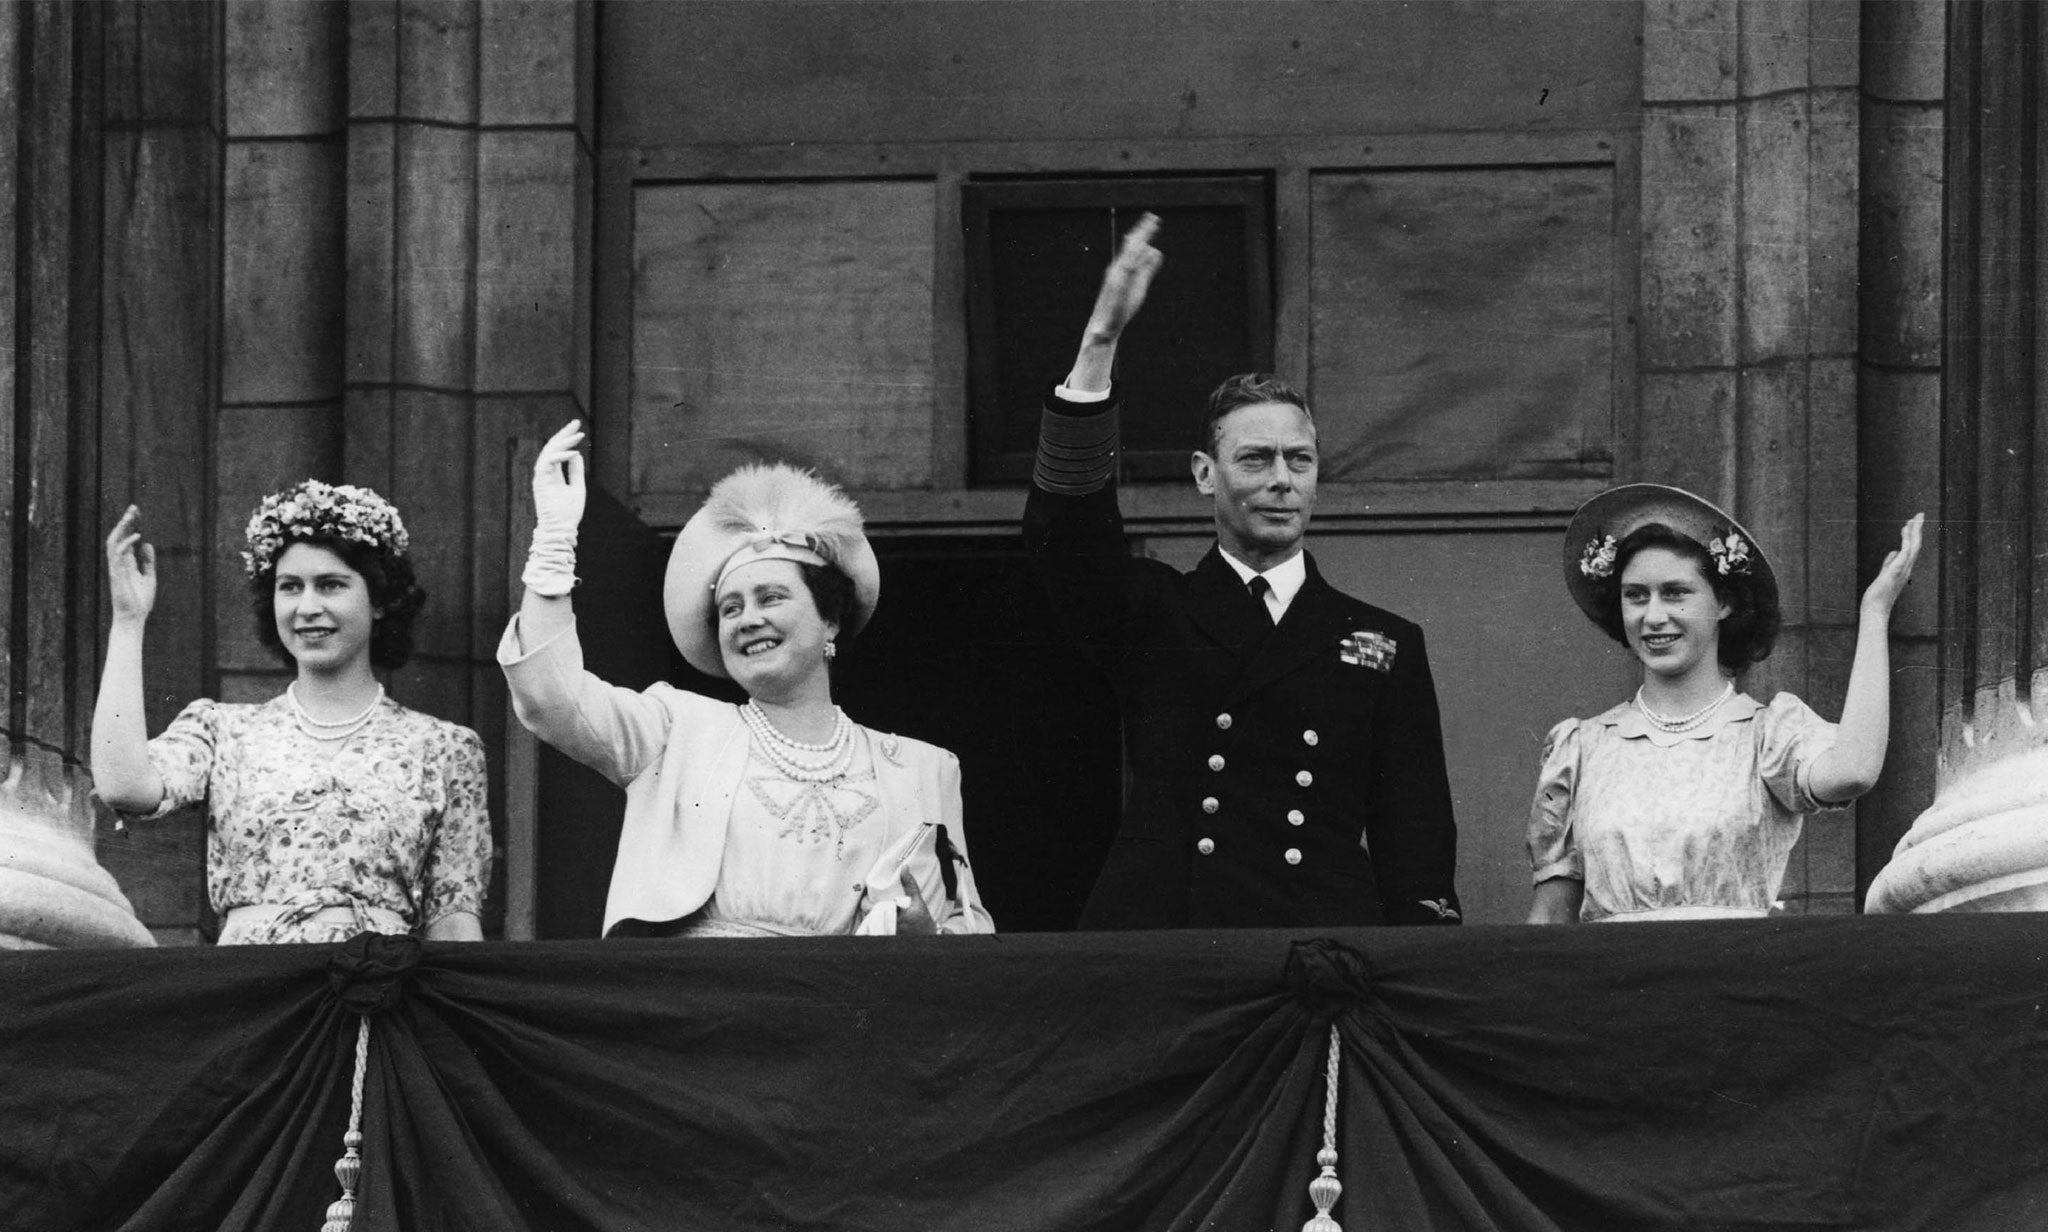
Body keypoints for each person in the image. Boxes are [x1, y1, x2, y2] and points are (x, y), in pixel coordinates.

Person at [1023, 214, 1462, 929]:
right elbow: (1066, 538)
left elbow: (1415, 836)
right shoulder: (1153, 611)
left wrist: (1412, 967)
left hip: (1316, 944)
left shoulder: (1383, 641)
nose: (1281, 480)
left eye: (1300, 459)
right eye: (1255, 459)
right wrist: (1098, 344)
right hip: (1175, 944)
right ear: (1206, 474)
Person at [498, 422, 994, 938]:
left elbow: (973, 933)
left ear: (830, 619)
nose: (747, 619)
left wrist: (925, 936)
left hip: (843, 1008)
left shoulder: (923, 768)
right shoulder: (676, 729)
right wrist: (552, 550)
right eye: (730, 608)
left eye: (771, 598)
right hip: (705, 1005)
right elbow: (551, 700)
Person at [91, 486, 491, 944]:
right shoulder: (224, 731)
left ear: (379, 600)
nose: (307, 607)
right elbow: (122, 785)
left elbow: (454, 923)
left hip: (378, 995)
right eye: (290, 587)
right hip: (257, 995)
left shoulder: (445, 749)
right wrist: (128, 619)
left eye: (331, 585)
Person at [1526, 484, 1924, 922]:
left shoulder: (1767, 735)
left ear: (1724, 603)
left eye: (1676, 592)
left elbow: (1854, 772)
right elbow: (1550, 921)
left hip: (1732, 975)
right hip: (1612, 981)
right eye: (1636, 595)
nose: (1654, 616)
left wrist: (1875, 612)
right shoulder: (1581, 748)